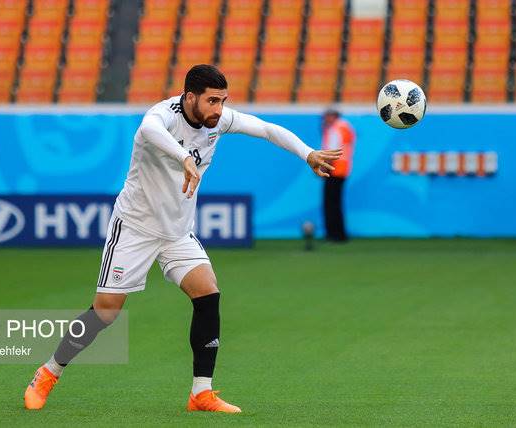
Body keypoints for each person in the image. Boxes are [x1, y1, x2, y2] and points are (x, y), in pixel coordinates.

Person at [23, 64, 343, 413]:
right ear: (189, 97)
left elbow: (265, 129)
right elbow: (149, 131)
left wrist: (307, 152)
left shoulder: (218, 120)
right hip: (135, 227)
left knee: (208, 293)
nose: (218, 109)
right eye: (211, 101)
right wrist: (184, 159)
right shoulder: (161, 116)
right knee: (106, 312)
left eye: (223, 101)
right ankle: (48, 372)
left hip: (177, 231)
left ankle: (201, 393)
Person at [321, 108, 355, 242]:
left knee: (330, 203)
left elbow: (331, 151)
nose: (324, 120)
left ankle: (333, 234)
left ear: (332, 116)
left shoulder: (335, 129)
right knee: (336, 203)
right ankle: (339, 233)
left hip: (333, 169)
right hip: (343, 168)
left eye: (326, 117)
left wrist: (323, 167)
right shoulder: (345, 127)